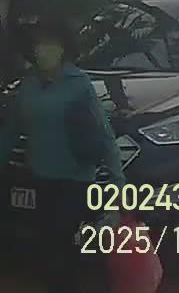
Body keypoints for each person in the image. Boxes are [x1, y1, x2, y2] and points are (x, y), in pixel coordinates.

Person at [0, 19, 126, 293]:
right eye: (38, 43)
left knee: (62, 242)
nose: (42, 49)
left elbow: (104, 134)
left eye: (49, 43)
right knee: (46, 246)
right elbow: (11, 131)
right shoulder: (28, 85)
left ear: (63, 48)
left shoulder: (79, 84)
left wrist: (117, 182)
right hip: (41, 177)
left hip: (75, 180)